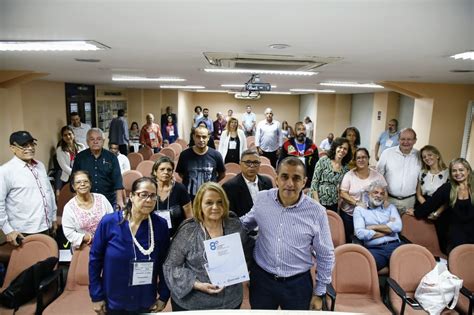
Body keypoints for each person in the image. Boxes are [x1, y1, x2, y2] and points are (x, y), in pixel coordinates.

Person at [240, 157, 334, 310]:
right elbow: (244, 224)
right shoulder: (263, 199)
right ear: (276, 179)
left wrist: (319, 292)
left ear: (304, 182)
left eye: (296, 178)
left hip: (297, 284)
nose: (290, 183)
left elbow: (326, 254)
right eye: (284, 177)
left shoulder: (317, 212)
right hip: (262, 280)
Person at [89, 177, 170, 314]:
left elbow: (165, 263)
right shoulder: (109, 222)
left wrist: (163, 295)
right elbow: (95, 260)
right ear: (131, 196)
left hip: (145, 300)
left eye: (153, 196)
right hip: (113, 300)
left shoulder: (160, 225)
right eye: (143, 194)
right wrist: (96, 295)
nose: (149, 200)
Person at [163, 182, 246, 310]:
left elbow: (244, 253)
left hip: (230, 302)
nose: (215, 207)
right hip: (193, 304)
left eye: (220, 202)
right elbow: (171, 266)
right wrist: (196, 284)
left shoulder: (234, 226)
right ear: (199, 205)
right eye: (209, 202)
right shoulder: (188, 231)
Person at [0, 131, 57, 246]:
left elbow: (48, 192)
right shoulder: (5, 171)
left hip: (46, 226)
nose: (30, 148)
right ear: (12, 148)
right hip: (23, 232)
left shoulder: (40, 165)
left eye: (32, 144)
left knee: (48, 261)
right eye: (24, 145)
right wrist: (8, 230)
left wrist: (53, 217)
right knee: (29, 263)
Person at [406, 158, 474, 253]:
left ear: (468, 171)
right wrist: (417, 212)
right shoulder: (447, 188)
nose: (458, 173)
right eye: (454, 171)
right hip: (456, 233)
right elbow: (431, 203)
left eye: (461, 170)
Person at [340, 148, 387, 243]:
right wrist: (357, 203)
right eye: (358, 158)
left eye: (364, 157)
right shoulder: (349, 175)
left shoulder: (377, 176)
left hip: (370, 216)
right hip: (350, 215)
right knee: (349, 240)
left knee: (366, 241)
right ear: (355, 160)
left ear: (368, 158)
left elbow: (385, 193)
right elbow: (343, 193)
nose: (361, 160)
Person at [353, 181, 402, 270]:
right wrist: (388, 229)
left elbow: (398, 227)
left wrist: (372, 227)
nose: (378, 196)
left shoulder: (390, 208)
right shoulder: (359, 210)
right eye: (375, 192)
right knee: (362, 268)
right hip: (375, 249)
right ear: (369, 194)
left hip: (395, 246)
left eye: (382, 193)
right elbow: (360, 233)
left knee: (411, 264)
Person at [72, 128, 124, 209]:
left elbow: (118, 181)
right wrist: (76, 202)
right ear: (87, 142)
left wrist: (120, 201)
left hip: (109, 200)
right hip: (86, 201)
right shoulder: (80, 157)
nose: (95, 142)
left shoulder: (112, 157)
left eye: (98, 139)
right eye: (92, 139)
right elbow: (74, 180)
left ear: (103, 141)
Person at [62, 171, 113, 250]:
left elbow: (112, 220)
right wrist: (87, 237)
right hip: (83, 247)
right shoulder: (69, 208)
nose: (82, 184)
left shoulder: (102, 199)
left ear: (90, 184)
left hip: (106, 244)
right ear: (73, 186)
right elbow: (69, 232)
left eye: (86, 181)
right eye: (78, 182)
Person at [377, 128, 421, 214]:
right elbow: (378, 176)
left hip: (410, 201)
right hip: (388, 199)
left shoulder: (419, 156)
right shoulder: (387, 153)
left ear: (415, 140)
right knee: (387, 226)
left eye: (409, 139)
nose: (406, 142)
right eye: (403, 139)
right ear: (398, 139)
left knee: (406, 227)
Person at [176, 126, 225, 199]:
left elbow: (222, 174)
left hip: (209, 196)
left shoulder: (216, 155)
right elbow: (181, 174)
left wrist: (213, 182)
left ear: (208, 138)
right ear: (193, 137)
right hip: (189, 198)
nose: (201, 139)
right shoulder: (184, 155)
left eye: (204, 137)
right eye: (198, 137)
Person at [222, 149, 273, 217]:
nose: (251, 166)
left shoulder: (267, 182)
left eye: (255, 162)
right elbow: (230, 216)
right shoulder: (230, 186)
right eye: (248, 162)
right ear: (240, 163)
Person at [151, 156, 192, 237]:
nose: (166, 172)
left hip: (176, 236)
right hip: (153, 235)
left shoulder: (180, 189)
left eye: (169, 170)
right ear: (155, 172)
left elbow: (189, 216)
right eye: (162, 169)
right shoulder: (149, 189)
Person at [310, 137, 351, 211]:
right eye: (340, 147)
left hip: (333, 203)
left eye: (345, 149)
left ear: (347, 151)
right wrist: (318, 204)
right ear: (335, 148)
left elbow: (341, 188)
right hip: (316, 201)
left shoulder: (346, 168)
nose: (342, 150)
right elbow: (314, 183)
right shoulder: (323, 160)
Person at [279, 121, 319, 188]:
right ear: (295, 131)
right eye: (299, 129)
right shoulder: (287, 145)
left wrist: (311, 185)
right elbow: (281, 163)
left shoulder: (312, 147)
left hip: (307, 181)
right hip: (290, 179)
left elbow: (316, 167)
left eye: (303, 129)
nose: (301, 132)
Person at [55, 125, 86, 194]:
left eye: (69, 134)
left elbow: (85, 161)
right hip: (68, 177)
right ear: (62, 137)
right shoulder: (60, 150)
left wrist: (82, 174)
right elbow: (64, 167)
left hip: (82, 175)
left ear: (73, 134)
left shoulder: (81, 146)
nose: (68, 137)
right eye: (65, 135)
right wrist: (76, 174)